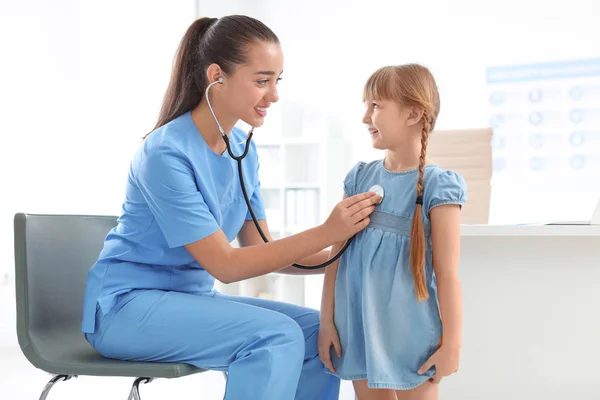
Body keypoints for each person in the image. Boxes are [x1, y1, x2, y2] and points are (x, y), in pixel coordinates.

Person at [81, 15, 381, 400]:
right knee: (273, 336)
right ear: (216, 76)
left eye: (277, 81)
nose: (273, 95)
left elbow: (259, 249)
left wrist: (346, 254)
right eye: (261, 81)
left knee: (315, 331)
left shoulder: (244, 150)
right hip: (125, 309)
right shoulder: (164, 153)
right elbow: (224, 265)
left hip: (188, 300)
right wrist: (327, 231)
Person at [318, 64, 467, 400]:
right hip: (357, 330)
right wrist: (327, 322)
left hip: (413, 336)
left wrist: (452, 344)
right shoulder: (358, 179)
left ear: (413, 113)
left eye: (375, 106)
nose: (364, 117)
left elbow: (447, 274)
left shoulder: (439, 186)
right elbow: (335, 260)